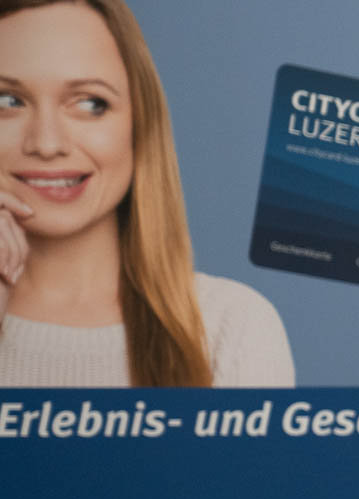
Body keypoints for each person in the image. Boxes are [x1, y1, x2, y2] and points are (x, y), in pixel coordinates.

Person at [0, 0, 293, 386]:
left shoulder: (231, 327)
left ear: (140, 124)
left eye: (91, 103)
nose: (47, 143)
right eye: (8, 102)